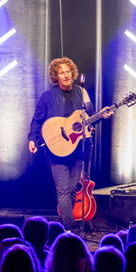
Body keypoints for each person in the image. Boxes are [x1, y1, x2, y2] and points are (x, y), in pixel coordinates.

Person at [26, 57, 95, 224]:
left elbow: (90, 117)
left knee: (71, 190)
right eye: (61, 72)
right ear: (55, 76)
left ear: (73, 72)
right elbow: (37, 119)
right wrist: (32, 138)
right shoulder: (47, 96)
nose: (65, 75)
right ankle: (69, 229)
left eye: (67, 71)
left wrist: (100, 117)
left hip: (78, 148)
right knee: (63, 190)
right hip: (57, 148)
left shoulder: (82, 92)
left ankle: (65, 223)